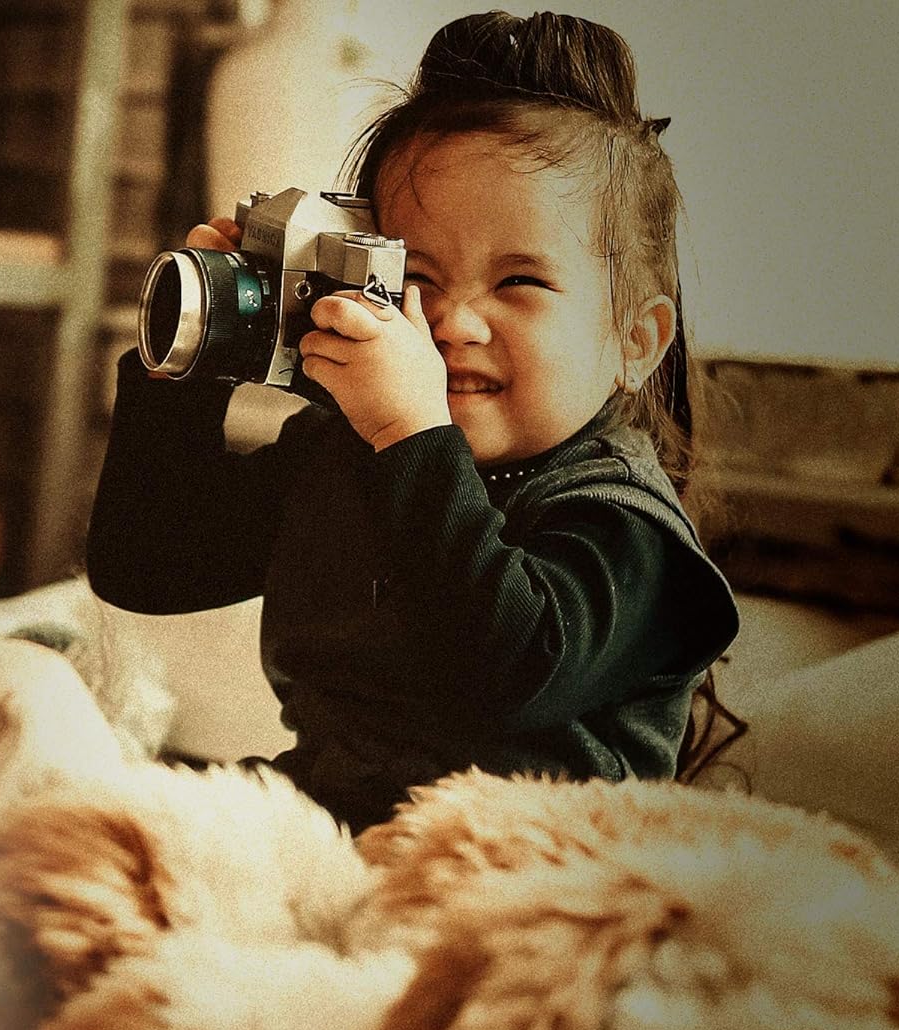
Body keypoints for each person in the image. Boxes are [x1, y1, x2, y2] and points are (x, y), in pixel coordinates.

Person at [86, 10, 742, 834]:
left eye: (520, 284)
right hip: (339, 816)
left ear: (634, 342)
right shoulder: (353, 453)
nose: (453, 323)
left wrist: (411, 438)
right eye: (416, 278)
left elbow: (506, 669)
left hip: (536, 857)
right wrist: (185, 366)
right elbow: (147, 563)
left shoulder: (626, 528)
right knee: (106, 829)